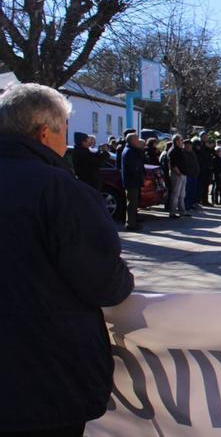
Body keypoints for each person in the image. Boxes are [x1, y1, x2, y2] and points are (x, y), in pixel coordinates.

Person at [0, 83, 134, 436]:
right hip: (41, 379)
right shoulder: (59, 189)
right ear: (45, 133)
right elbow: (104, 282)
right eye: (65, 134)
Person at [121, 133, 145, 231]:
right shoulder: (129, 152)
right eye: (137, 139)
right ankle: (130, 224)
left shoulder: (133, 150)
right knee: (131, 203)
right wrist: (138, 175)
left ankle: (133, 222)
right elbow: (133, 167)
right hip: (131, 181)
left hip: (133, 181)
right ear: (132, 141)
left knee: (133, 203)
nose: (139, 141)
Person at [167, 134, 188, 218]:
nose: (181, 142)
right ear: (175, 141)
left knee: (182, 194)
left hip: (183, 174)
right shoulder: (173, 151)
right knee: (175, 194)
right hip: (177, 175)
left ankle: (182, 211)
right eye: (179, 140)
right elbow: (173, 164)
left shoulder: (181, 150)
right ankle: (172, 212)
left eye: (182, 140)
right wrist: (178, 173)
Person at [185, 139, 201, 211]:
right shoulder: (183, 153)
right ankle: (186, 206)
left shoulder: (192, 152)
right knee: (187, 192)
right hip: (188, 175)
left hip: (194, 174)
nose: (189, 147)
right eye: (187, 145)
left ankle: (191, 205)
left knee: (192, 191)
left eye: (190, 145)